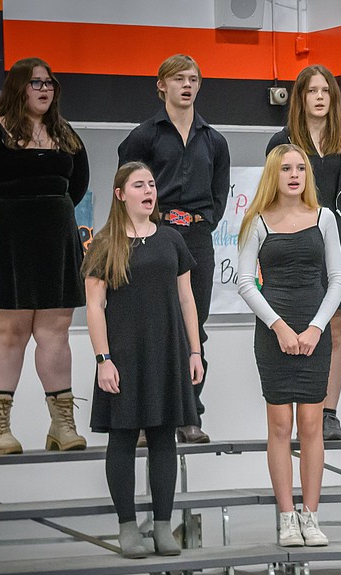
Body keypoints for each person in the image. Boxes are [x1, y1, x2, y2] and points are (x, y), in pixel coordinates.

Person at [0, 57, 89, 455]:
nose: (44, 89)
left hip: (55, 243)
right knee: (10, 334)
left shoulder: (64, 133)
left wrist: (50, 213)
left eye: (49, 83)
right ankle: (0, 428)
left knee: (55, 334)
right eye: (35, 83)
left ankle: (62, 425)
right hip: (6, 243)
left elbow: (77, 185)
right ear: (17, 88)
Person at [83, 162, 203, 559]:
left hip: (167, 352)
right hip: (124, 355)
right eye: (139, 185)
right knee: (122, 437)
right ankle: (127, 527)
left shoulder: (171, 239)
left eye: (152, 183)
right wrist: (104, 359)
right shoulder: (105, 243)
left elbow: (187, 299)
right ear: (121, 194)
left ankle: (164, 526)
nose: (149, 190)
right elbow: (95, 306)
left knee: (163, 436)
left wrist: (195, 350)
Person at [237, 144, 341, 547]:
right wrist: (279, 326)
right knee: (281, 426)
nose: (295, 174)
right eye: (286, 168)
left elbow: (337, 279)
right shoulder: (257, 221)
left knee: (313, 425)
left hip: (313, 328)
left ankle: (311, 516)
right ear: (274, 174)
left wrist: (316, 328)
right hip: (274, 331)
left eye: (301, 168)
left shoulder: (325, 218)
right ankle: (286, 517)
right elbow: (246, 282)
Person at [119, 54, 230, 444]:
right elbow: (129, 185)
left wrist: (202, 222)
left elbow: (219, 195)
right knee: (147, 325)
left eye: (194, 79)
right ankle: (147, 418)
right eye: (179, 78)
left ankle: (188, 414)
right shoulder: (144, 136)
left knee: (192, 327)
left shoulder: (214, 140)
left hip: (197, 237)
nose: (187, 85)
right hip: (154, 234)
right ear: (161, 85)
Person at [265, 65, 341, 442]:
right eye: (313, 91)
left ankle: (328, 413)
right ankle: (296, 410)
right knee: (296, 322)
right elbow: (269, 198)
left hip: (340, 238)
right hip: (296, 237)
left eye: (326, 91)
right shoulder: (281, 141)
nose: (320, 97)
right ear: (301, 97)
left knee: (334, 330)